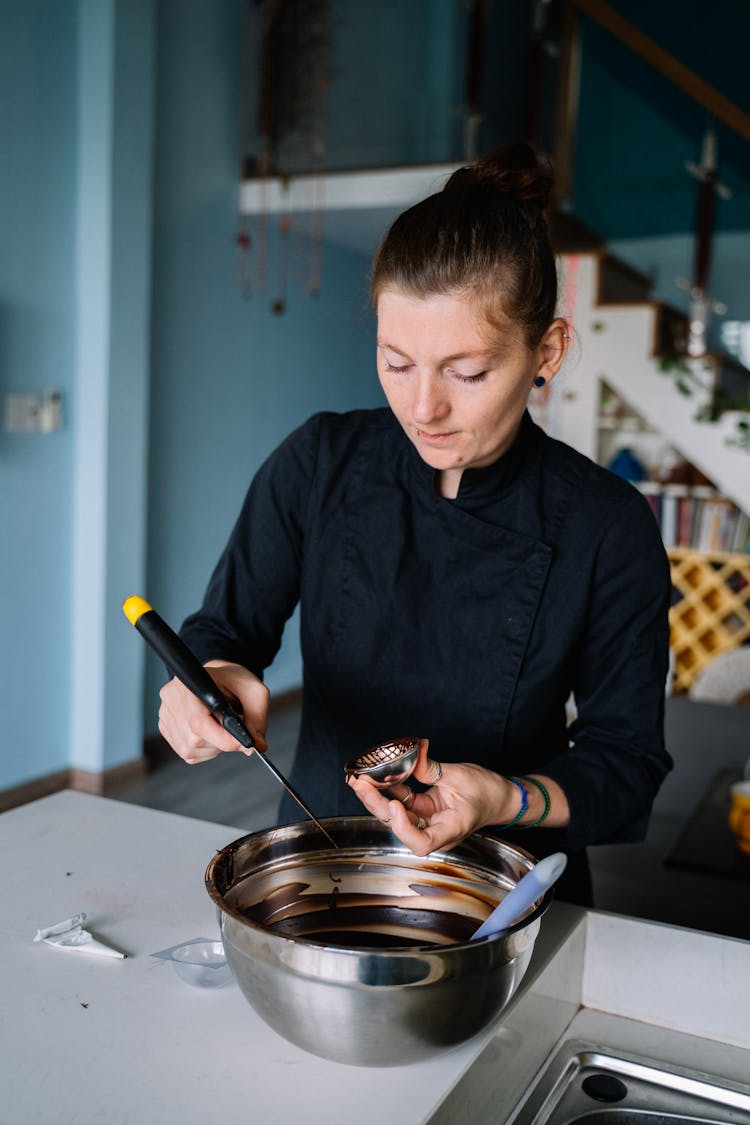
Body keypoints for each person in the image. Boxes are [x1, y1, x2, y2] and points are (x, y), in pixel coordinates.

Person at [158, 142, 672, 905]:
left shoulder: (608, 525)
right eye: (396, 362)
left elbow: (625, 764)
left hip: (508, 893)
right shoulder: (320, 462)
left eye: (466, 372)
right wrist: (212, 684)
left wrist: (504, 798)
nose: (422, 407)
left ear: (548, 350)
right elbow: (220, 632)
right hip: (322, 865)